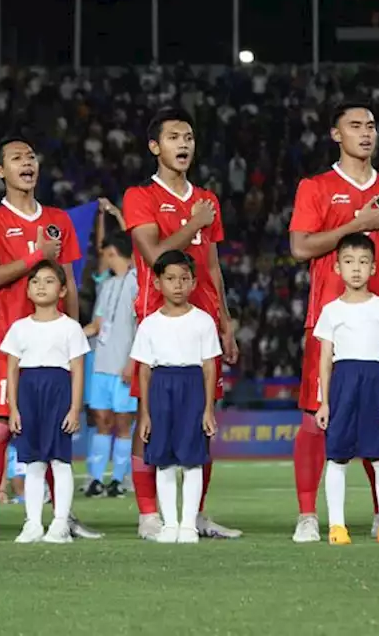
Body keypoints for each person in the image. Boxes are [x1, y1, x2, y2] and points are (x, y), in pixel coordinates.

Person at [289, 102, 379, 544]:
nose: (365, 133)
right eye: (355, 126)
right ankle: (309, 515)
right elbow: (300, 247)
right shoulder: (316, 187)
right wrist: (357, 223)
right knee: (316, 418)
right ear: (335, 134)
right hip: (330, 321)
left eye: (370, 125)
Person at [0, 136, 100, 542]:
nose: (27, 163)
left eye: (31, 156)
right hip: (11, 345)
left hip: (55, 350)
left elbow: (71, 283)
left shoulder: (58, 218)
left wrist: (73, 331)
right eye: (16, 157)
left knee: (58, 433)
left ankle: (63, 516)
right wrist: (37, 256)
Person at [122, 107, 240, 540]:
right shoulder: (140, 196)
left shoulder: (206, 199)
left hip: (203, 321)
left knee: (200, 417)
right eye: (174, 137)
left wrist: (225, 320)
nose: (184, 144)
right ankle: (149, 515)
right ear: (155, 147)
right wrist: (193, 223)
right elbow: (156, 257)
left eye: (188, 136)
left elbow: (210, 263)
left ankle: (195, 514)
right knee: (147, 414)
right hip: (158, 318)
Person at [313, 234, 379, 545]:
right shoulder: (330, 311)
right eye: (349, 262)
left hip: (374, 382)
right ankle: (337, 527)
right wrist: (324, 402)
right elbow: (325, 359)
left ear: (374, 268)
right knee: (337, 457)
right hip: (343, 383)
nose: (356, 269)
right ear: (337, 268)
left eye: (363, 262)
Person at [130, 251, 222, 544]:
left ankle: (188, 526)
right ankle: (169, 525)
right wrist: (145, 412)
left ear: (194, 282)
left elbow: (209, 367)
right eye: (170, 279)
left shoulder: (203, 321)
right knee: (164, 461)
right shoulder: (149, 325)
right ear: (157, 283)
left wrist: (208, 409)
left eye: (184, 279)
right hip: (161, 386)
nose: (177, 285)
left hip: (192, 386)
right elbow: (144, 370)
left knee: (192, 460)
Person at [1, 260, 90, 544]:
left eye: (49, 281)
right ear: (27, 290)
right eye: (36, 281)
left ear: (63, 290)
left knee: (60, 461)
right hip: (29, 394)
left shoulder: (70, 328)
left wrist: (75, 408)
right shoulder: (19, 328)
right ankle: (33, 523)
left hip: (58, 393)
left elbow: (77, 370)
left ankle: (61, 522)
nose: (41, 286)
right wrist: (13, 408)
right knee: (33, 462)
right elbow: (12, 370)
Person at [84, 229, 138, 499]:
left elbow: (141, 327)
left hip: (124, 365)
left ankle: (118, 480)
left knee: (123, 424)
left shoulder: (136, 282)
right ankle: (94, 479)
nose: (103, 259)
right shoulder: (107, 286)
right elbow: (96, 325)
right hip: (101, 364)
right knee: (102, 421)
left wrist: (132, 363)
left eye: (107, 254)